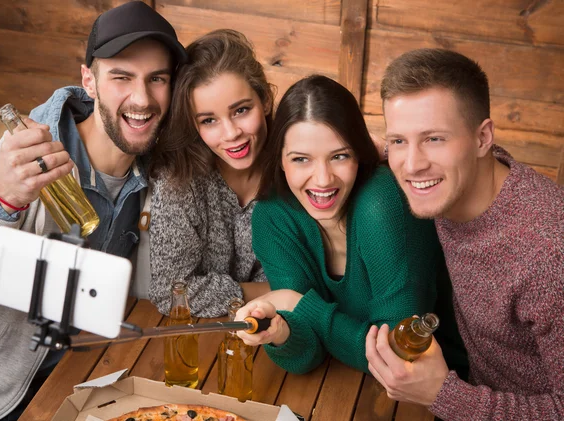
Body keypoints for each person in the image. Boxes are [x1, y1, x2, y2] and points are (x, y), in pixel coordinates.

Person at [0, 2, 187, 420]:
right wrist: (0, 201)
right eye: (121, 77)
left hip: (80, 379)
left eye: (157, 79)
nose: (142, 98)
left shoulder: (157, 172)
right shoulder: (25, 160)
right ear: (90, 80)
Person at [365, 48, 564, 421]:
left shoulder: (549, 254)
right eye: (399, 141)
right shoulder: (454, 182)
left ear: (482, 138)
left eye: (434, 139)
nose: (412, 164)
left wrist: (444, 396)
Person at [234, 75, 462, 375]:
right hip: (351, 384)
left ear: (358, 153)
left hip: (448, 389)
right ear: (279, 160)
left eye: (339, 156)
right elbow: (306, 354)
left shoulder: (382, 201)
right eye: (301, 159)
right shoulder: (273, 216)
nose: (323, 179)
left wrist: (296, 303)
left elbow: (398, 356)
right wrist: (280, 333)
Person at [148, 30, 272, 318]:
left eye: (241, 110)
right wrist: (271, 293)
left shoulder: (295, 167)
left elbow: (302, 281)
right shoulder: (180, 181)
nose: (231, 134)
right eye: (209, 120)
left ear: (265, 100)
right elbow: (170, 292)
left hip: (276, 335)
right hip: (195, 338)